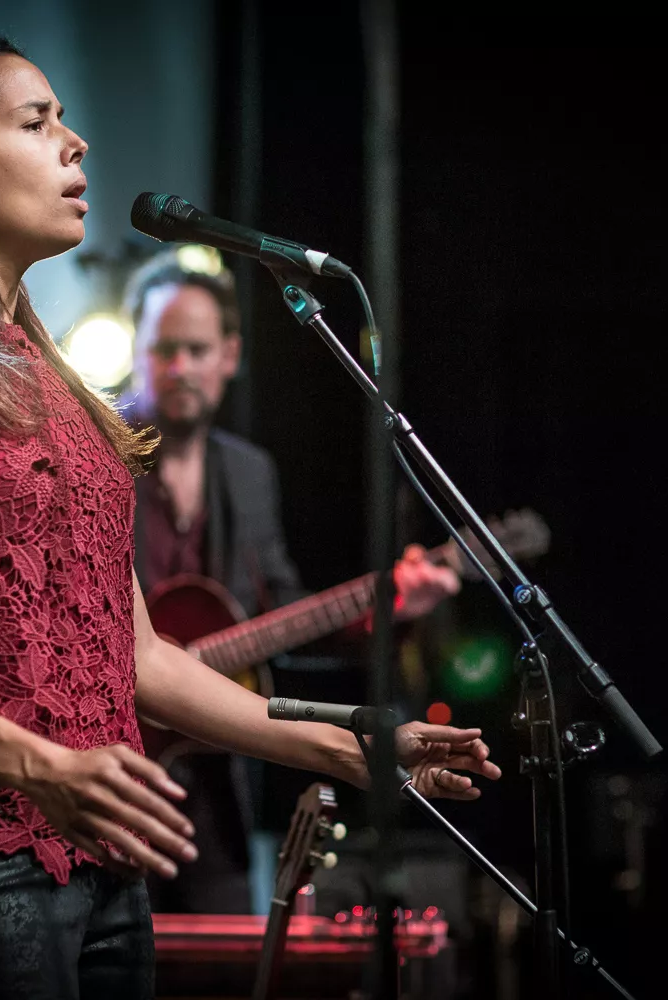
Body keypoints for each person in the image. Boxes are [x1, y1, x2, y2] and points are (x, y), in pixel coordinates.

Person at [0, 36, 501, 999]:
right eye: (35, 122)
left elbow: (136, 657)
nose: (76, 143)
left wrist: (349, 746)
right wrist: (46, 768)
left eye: (64, 118)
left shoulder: (55, 378)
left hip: (105, 853)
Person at [122, 248, 462, 914]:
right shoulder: (97, 451)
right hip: (108, 757)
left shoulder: (249, 474)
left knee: (223, 955)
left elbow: (286, 614)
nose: (180, 367)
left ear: (230, 355)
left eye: (197, 349)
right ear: (136, 349)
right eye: (164, 349)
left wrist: (392, 607)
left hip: (215, 776)